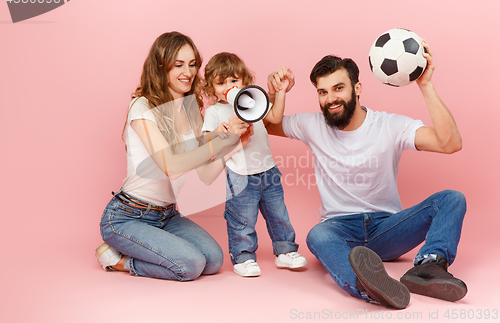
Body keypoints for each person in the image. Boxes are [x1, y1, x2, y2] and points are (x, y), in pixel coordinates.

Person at [266, 41, 467, 308]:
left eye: (338, 88)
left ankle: (428, 267)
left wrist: (425, 85)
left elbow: (449, 143)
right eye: (322, 92)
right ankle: (368, 287)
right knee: (318, 235)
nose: (330, 99)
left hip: (387, 228)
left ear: (357, 88)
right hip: (340, 228)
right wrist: (275, 94)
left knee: (451, 199)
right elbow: (267, 124)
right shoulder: (311, 124)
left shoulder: (388, 125)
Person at [96, 32, 252, 281]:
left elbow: (205, 173)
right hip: (127, 216)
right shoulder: (142, 107)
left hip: (167, 215)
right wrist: (217, 141)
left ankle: (151, 247)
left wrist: (233, 143)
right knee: (189, 265)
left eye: (192, 65)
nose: (188, 72)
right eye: (178, 65)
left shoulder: (191, 110)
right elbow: (172, 166)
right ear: (160, 67)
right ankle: (118, 260)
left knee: (213, 261)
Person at [201, 52, 307, 277]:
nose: (228, 87)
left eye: (233, 81)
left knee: (278, 213)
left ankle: (286, 251)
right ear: (211, 87)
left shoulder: (252, 100)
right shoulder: (214, 111)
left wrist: (280, 92)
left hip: (268, 170)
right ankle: (243, 257)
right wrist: (225, 131)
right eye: (221, 83)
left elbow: (275, 118)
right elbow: (206, 143)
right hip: (240, 174)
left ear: (245, 81)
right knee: (242, 218)